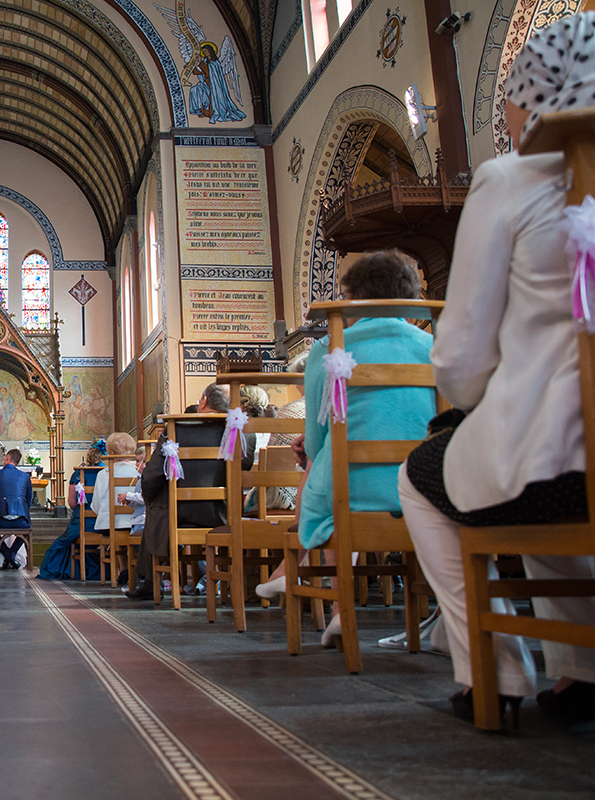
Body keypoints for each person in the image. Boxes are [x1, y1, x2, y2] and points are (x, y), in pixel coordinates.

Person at [399, 13, 595, 723]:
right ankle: (578, 671)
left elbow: (460, 359)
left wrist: (479, 400)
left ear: (534, 94)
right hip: (563, 465)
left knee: (433, 475)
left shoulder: (511, 180)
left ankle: (495, 673)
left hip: (553, 459)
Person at [291, 250, 436, 644]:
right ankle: (446, 616)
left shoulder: (329, 349)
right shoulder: (433, 345)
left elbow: (317, 442)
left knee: (327, 478)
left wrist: (311, 453)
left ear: (353, 298)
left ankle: (340, 609)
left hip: (353, 495)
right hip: (428, 491)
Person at [128, 396, 256, 600]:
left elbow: (152, 475)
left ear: (204, 402)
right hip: (223, 513)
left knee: (158, 509)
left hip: (180, 513)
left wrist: (150, 498)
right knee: (159, 508)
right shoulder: (240, 430)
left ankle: (152, 580)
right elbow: (245, 466)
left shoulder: (177, 430)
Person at [37, 447, 104, 580]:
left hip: (81, 522)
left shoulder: (79, 473)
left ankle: (59, 568)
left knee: (65, 540)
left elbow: (72, 503)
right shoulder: (107, 472)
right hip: (102, 522)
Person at [90, 432, 140, 580]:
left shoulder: (103, 474)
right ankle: (136, 570)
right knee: (127, 527)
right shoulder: (137, 472)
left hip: (107, 525)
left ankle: (123, 569)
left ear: (110, 452)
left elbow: (96, 505)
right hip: (133, 524)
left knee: (116, 527)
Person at [0, 448, 33, 569]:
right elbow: (28, 499)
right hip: (20, 521)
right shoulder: (25, 476)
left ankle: (8, 555)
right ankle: (12, 554)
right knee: (26, 529)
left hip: (0, 520)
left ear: (7, 458)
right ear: (17, 462)